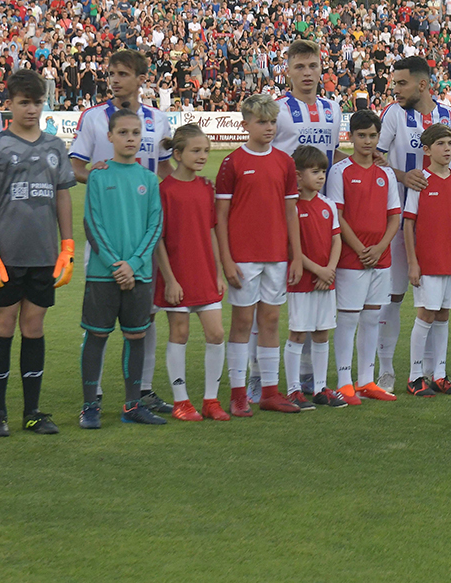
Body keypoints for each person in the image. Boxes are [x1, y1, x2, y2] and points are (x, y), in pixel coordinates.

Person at [0, 70, 75, 437]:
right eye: (24, 102)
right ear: (9, 103)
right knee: (2, 324)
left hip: (43, 254)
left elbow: (63, 195)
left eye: (37, 102)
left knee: (33, 326)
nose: (31, 109)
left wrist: (68, 246)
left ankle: (32, 411)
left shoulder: (54, 146)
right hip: (6, 255)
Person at [69, 49, 173, 415]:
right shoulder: (94, 118)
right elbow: (75, 167)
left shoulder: (159, 121)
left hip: (143, 235)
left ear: (140, 77)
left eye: (123, 73)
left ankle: (142, 392)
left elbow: (164, 170)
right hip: (106, 236)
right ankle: (92, 397)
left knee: (147, 317)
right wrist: (98, 175)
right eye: (111, 73)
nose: (114, 79)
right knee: (97, 326)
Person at [377, 55, 451, 393]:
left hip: (439, 223)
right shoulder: (393, 114)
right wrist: (405, 176)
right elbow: (374, 158)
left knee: (439, 307)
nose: (395, 89)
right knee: (393, 294)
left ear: (422, 84)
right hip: (399, 217)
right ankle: (387, 370)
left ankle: (435, 372)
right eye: (394, 83)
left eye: (402, 83)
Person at [215, 94, 303, 416]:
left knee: (271, 319)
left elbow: (291, 213)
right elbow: (220, 216)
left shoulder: (285, 162)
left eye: (271, 121)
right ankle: (238, 394)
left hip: (276, 255)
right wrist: (226, 259)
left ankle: (269, 391)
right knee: (241, 322)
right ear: (245, 125)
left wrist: (295, 255)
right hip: (243, 257)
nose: (268, 127)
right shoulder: (232, 162)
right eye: (261, 122)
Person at [78, 108, 166, 428]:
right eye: (124, 133)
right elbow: (92, 224)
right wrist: (118, 265)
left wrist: (134, 264)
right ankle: (90, 406)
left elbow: (154, 226)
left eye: (136, 133)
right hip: (104, 274)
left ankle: (132, 406)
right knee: (96, 337)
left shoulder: (149, 179)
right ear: (110, 137)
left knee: (136, 337)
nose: (130, 138)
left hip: (139, 274)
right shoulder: (99, 175)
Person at [269, 39, 343, 395]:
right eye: (299, 67)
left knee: (318, 311)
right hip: (284, 215)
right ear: (287, 70)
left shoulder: (333, 108)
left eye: (312, 65)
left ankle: (313, 383)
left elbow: (328, 153)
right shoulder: (278, 110)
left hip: (321, 216)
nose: (307, 73)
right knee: (273, 305)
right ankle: (260, 379)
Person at [153, 124, 229, 422]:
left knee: (216, 333)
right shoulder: (165, 191)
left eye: (206, 151)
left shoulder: (206, 187)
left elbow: (211, 231)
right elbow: (158, 239)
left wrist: (218, 272)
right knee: (180, 333)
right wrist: (170, 279)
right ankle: (181, 401)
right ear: (178, 153)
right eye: (196, 151)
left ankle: (211, 400)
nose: (202, 156)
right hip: (177, 275)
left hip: (204, 273)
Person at [327, 110, 400, 403]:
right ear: (351, 136)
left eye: (372, 136)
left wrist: (380, 247)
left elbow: (394, 216)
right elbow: (338, 216)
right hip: (351, 258)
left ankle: (366, 380)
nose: (367, 141)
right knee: (348, 319)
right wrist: (360, 249)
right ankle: (344, 380)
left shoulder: (386, 173)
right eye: (361, 136)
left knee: (372, 318)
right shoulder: (339, 171)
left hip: (380, 258)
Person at [402, 122, 451, 397]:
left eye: (450, 144)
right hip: (428, 261)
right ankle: (415, 375)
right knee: (426, 314)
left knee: (443, 315)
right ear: (427, 149)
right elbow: (409, 224)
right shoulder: (421, 181)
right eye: (441, 144)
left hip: (450, 261)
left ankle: (439, 374)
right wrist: (413, 263)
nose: (447, 149)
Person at [288, 145, 346, 408]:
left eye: (323, 171)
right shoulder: (291, 208)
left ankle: (321, 388)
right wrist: (318, 269)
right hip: (302, 281)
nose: (321, 176)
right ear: (298, 176)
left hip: (326, 281)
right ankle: (293, 390)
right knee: (298, 334)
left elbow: (337, 240)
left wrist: (330, 269)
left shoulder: (328, 205)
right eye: (315, 171)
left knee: (322, 333)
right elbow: (292, 247)